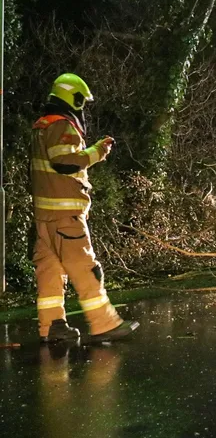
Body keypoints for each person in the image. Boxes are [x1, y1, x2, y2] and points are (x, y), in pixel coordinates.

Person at [31, 73, 139, 343]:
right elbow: (65, 161)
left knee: (49, 272)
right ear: (74, 98)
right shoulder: (62, 125)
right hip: (65, 216)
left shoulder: (41, 126)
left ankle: (52, 327)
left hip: (44, 217)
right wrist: (97, 152)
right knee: (85, 268)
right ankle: (105, 324)